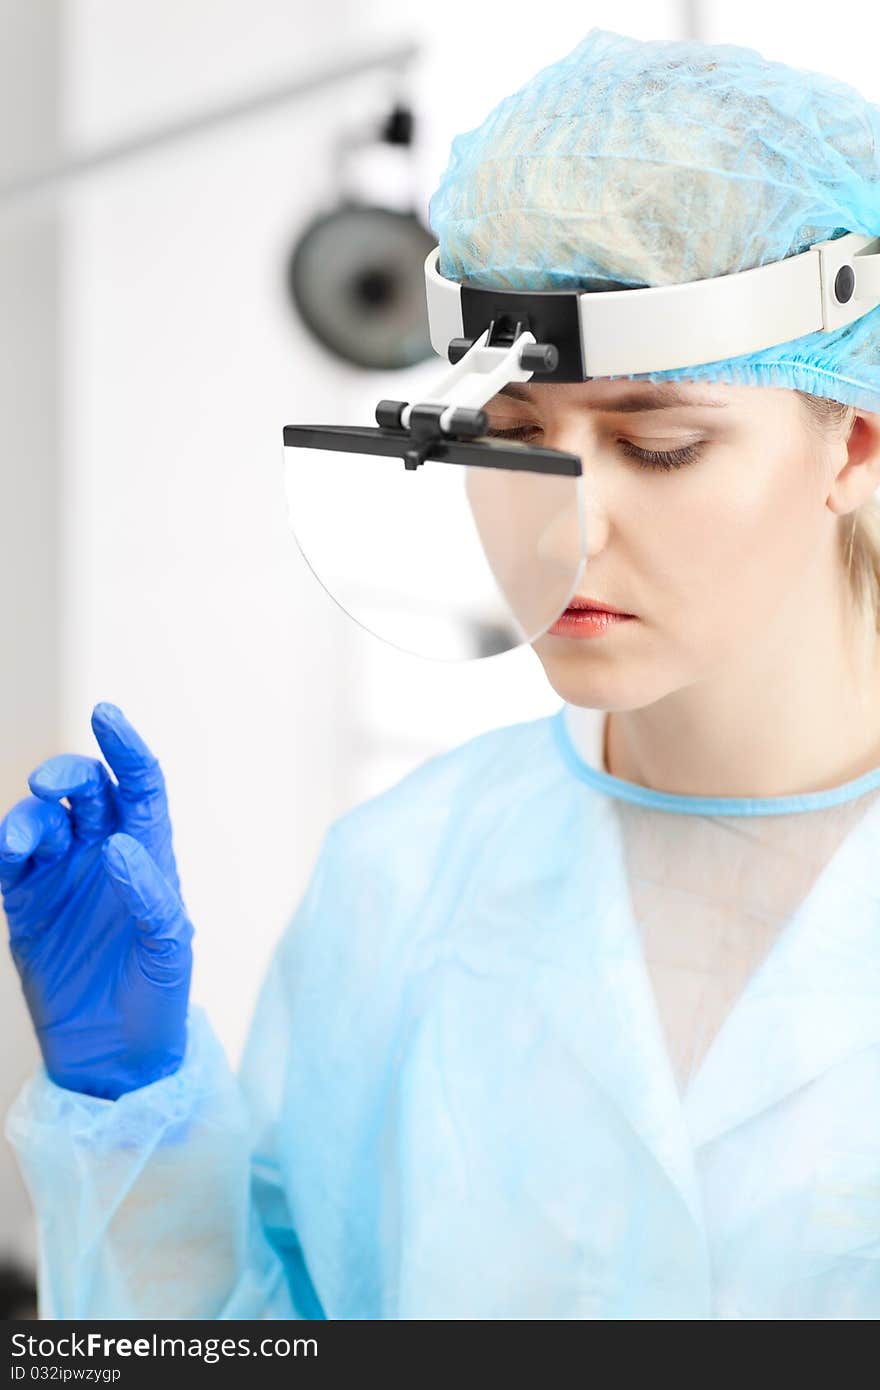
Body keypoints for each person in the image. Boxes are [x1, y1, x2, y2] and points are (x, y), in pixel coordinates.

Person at [4, 27, 880, 1320]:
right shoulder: (404, 881)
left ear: (854, 444)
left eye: (661, 446)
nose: (564, 524)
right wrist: (129, 1111)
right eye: (514, 441)